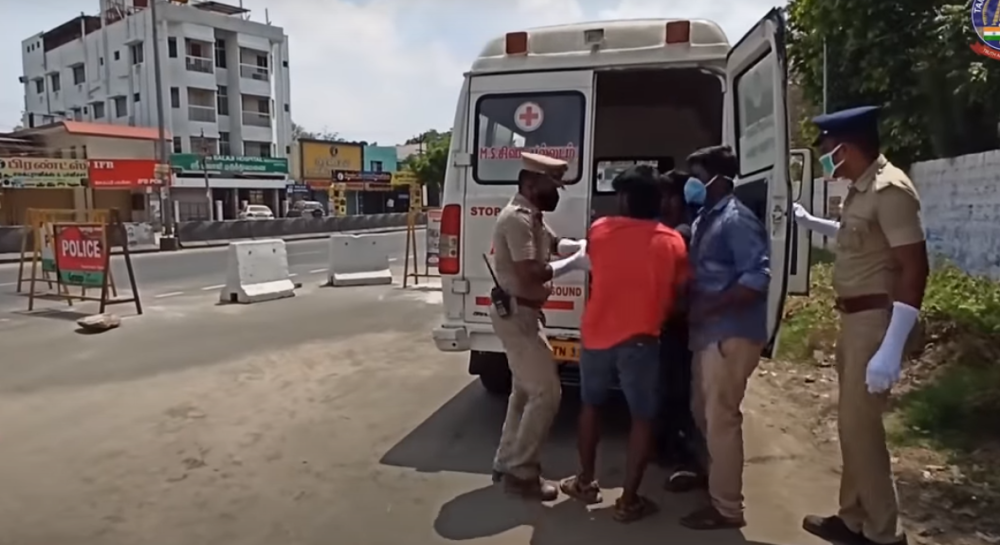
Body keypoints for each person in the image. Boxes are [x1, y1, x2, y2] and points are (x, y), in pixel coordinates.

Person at [794, 106, 927, 545]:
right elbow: (864, 240)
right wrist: (815, 225)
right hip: (855, 320)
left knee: (862, 432)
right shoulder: (861, 189)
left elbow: (914, 268)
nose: (826, 160)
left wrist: (892, 346)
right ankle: (853, 518)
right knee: (851, 427)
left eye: (828, 151)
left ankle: (885, 534)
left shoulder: (891, 190)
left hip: (876, 322)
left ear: (845, 148)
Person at [559, 165, 688, 523]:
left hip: (597, 336)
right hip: (641, 340)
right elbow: (681, 295)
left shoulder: (600, 230)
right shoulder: (673, 241)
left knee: (590, 407)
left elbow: (597, 260)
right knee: (642, 418)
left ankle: (585, 481)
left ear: (625, 199)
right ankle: (628, 501)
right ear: (660, 201)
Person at [489, 151, 590, 501]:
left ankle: (506, 461)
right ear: (531, 184)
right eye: (553, 185)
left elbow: (553, 244)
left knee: (524, 392)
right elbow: (531, 270)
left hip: (526, 314)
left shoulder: (531, 215)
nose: (557, 193)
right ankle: (522, 473)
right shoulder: (515, 219)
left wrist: (580, 247)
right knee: (546, 393)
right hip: (517, 315)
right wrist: (577, 264)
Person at [680, 145, 770, 531]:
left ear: (717, 178)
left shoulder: (735, 219)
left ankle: (728, 507)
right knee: (703, 412)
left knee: (721, 418)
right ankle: (715, 480)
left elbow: (757, 278)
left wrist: (711, 307)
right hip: (708, 333)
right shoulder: (706, 218)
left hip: (730, 333)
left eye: (697, 175)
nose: (691, 184)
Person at [655, 170, 705, 492]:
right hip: (676, 323)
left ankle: (682, 456)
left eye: (665, 196)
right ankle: (668, 447)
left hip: (678, 325)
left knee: (677, 390)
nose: (661, 203)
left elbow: (681, 287)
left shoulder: (681, 234)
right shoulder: (681, 229)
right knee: (672, 389)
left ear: (676, 199)